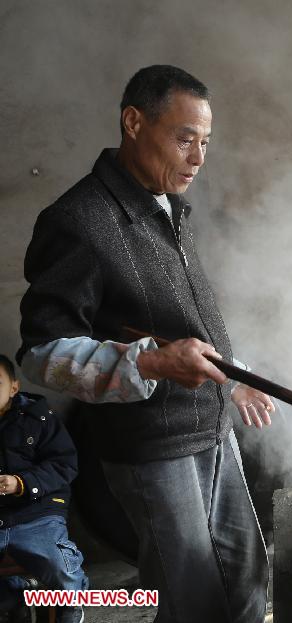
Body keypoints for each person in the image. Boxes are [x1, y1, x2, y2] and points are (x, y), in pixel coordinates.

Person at [16, 65, 273, 623]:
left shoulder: (167, 207)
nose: (198, 158)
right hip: (152, 446)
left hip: (210, 425)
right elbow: (39, 355)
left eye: (205, 142)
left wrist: (234, 376)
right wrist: (154, 362)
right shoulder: (77, 221)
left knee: (248, 582)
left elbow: (181, 323)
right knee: (192, 597)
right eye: (184, 139)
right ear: (134, 122)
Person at [0, 355, 87, 623]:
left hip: (36, 513)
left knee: (58, 564)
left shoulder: (38, 418)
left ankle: (70, 607)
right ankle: (15, 597)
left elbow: (64, 465)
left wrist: (20, 483)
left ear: (13, 388)